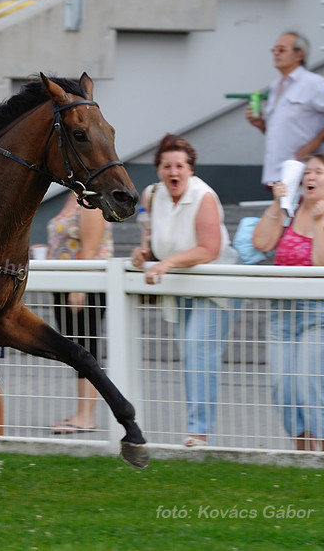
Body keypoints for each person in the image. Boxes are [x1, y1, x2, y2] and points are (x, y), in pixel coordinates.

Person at [130, 133, 237, 447]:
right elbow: (151, 237)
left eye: (179, 166)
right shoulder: (152, 194)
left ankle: (200, 433)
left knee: (198, 351)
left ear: (191, 169)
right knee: (190, 355)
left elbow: (209, 249)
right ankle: (199, 431)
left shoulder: (204, 196)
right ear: (159, 170)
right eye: (167, 166)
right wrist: (145, 254)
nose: (173, 172)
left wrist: (166, 264)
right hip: (180, 286)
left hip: (214, 287)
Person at [252, 153, 324, 452]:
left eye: (318, 172)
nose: (309, 177)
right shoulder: (290, 211)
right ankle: (304, 461)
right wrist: (276, 203)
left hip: (321, 314)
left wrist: (319, 222)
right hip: (283, 313)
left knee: (311, 388)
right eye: (306, 172)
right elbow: (262, 243)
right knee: (284, 389)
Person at [245, 31, 324, 188]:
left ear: (298, 55)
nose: (276, 53)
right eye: (274, 50)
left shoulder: (313, 83)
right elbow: (280, 131)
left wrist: (316, 142)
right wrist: (261, 124)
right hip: (277, 174)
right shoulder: (275, 85)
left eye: (282, 49)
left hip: (305, 173)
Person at [47, 192, 112, 434]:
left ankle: (86, 416)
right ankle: (81, 413)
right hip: (65, 285)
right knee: (76, 349)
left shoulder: (90, 200)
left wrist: (79, 287)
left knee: (86, 348)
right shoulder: (70, 198)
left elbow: (91, 246)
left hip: (83, 286)